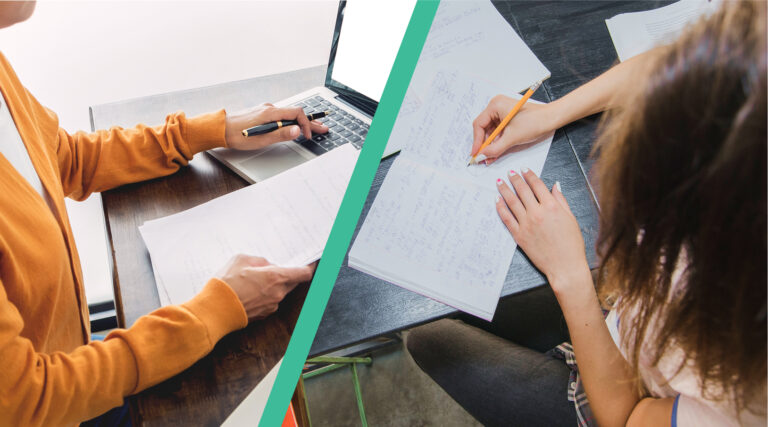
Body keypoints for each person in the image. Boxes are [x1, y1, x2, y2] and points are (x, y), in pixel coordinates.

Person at [407, 1, 766, 426]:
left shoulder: (746, 395)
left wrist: (572, 277)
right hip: (636, 321)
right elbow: (682, 66)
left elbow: (625, 416)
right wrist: (550, 115)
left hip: (622, 395)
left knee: (428, 337)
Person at [0, 2, 327, 425]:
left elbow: (62, 157)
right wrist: (218, 309)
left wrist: (210, 132)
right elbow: (28, 399)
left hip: (72, 356)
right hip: (61, 401)